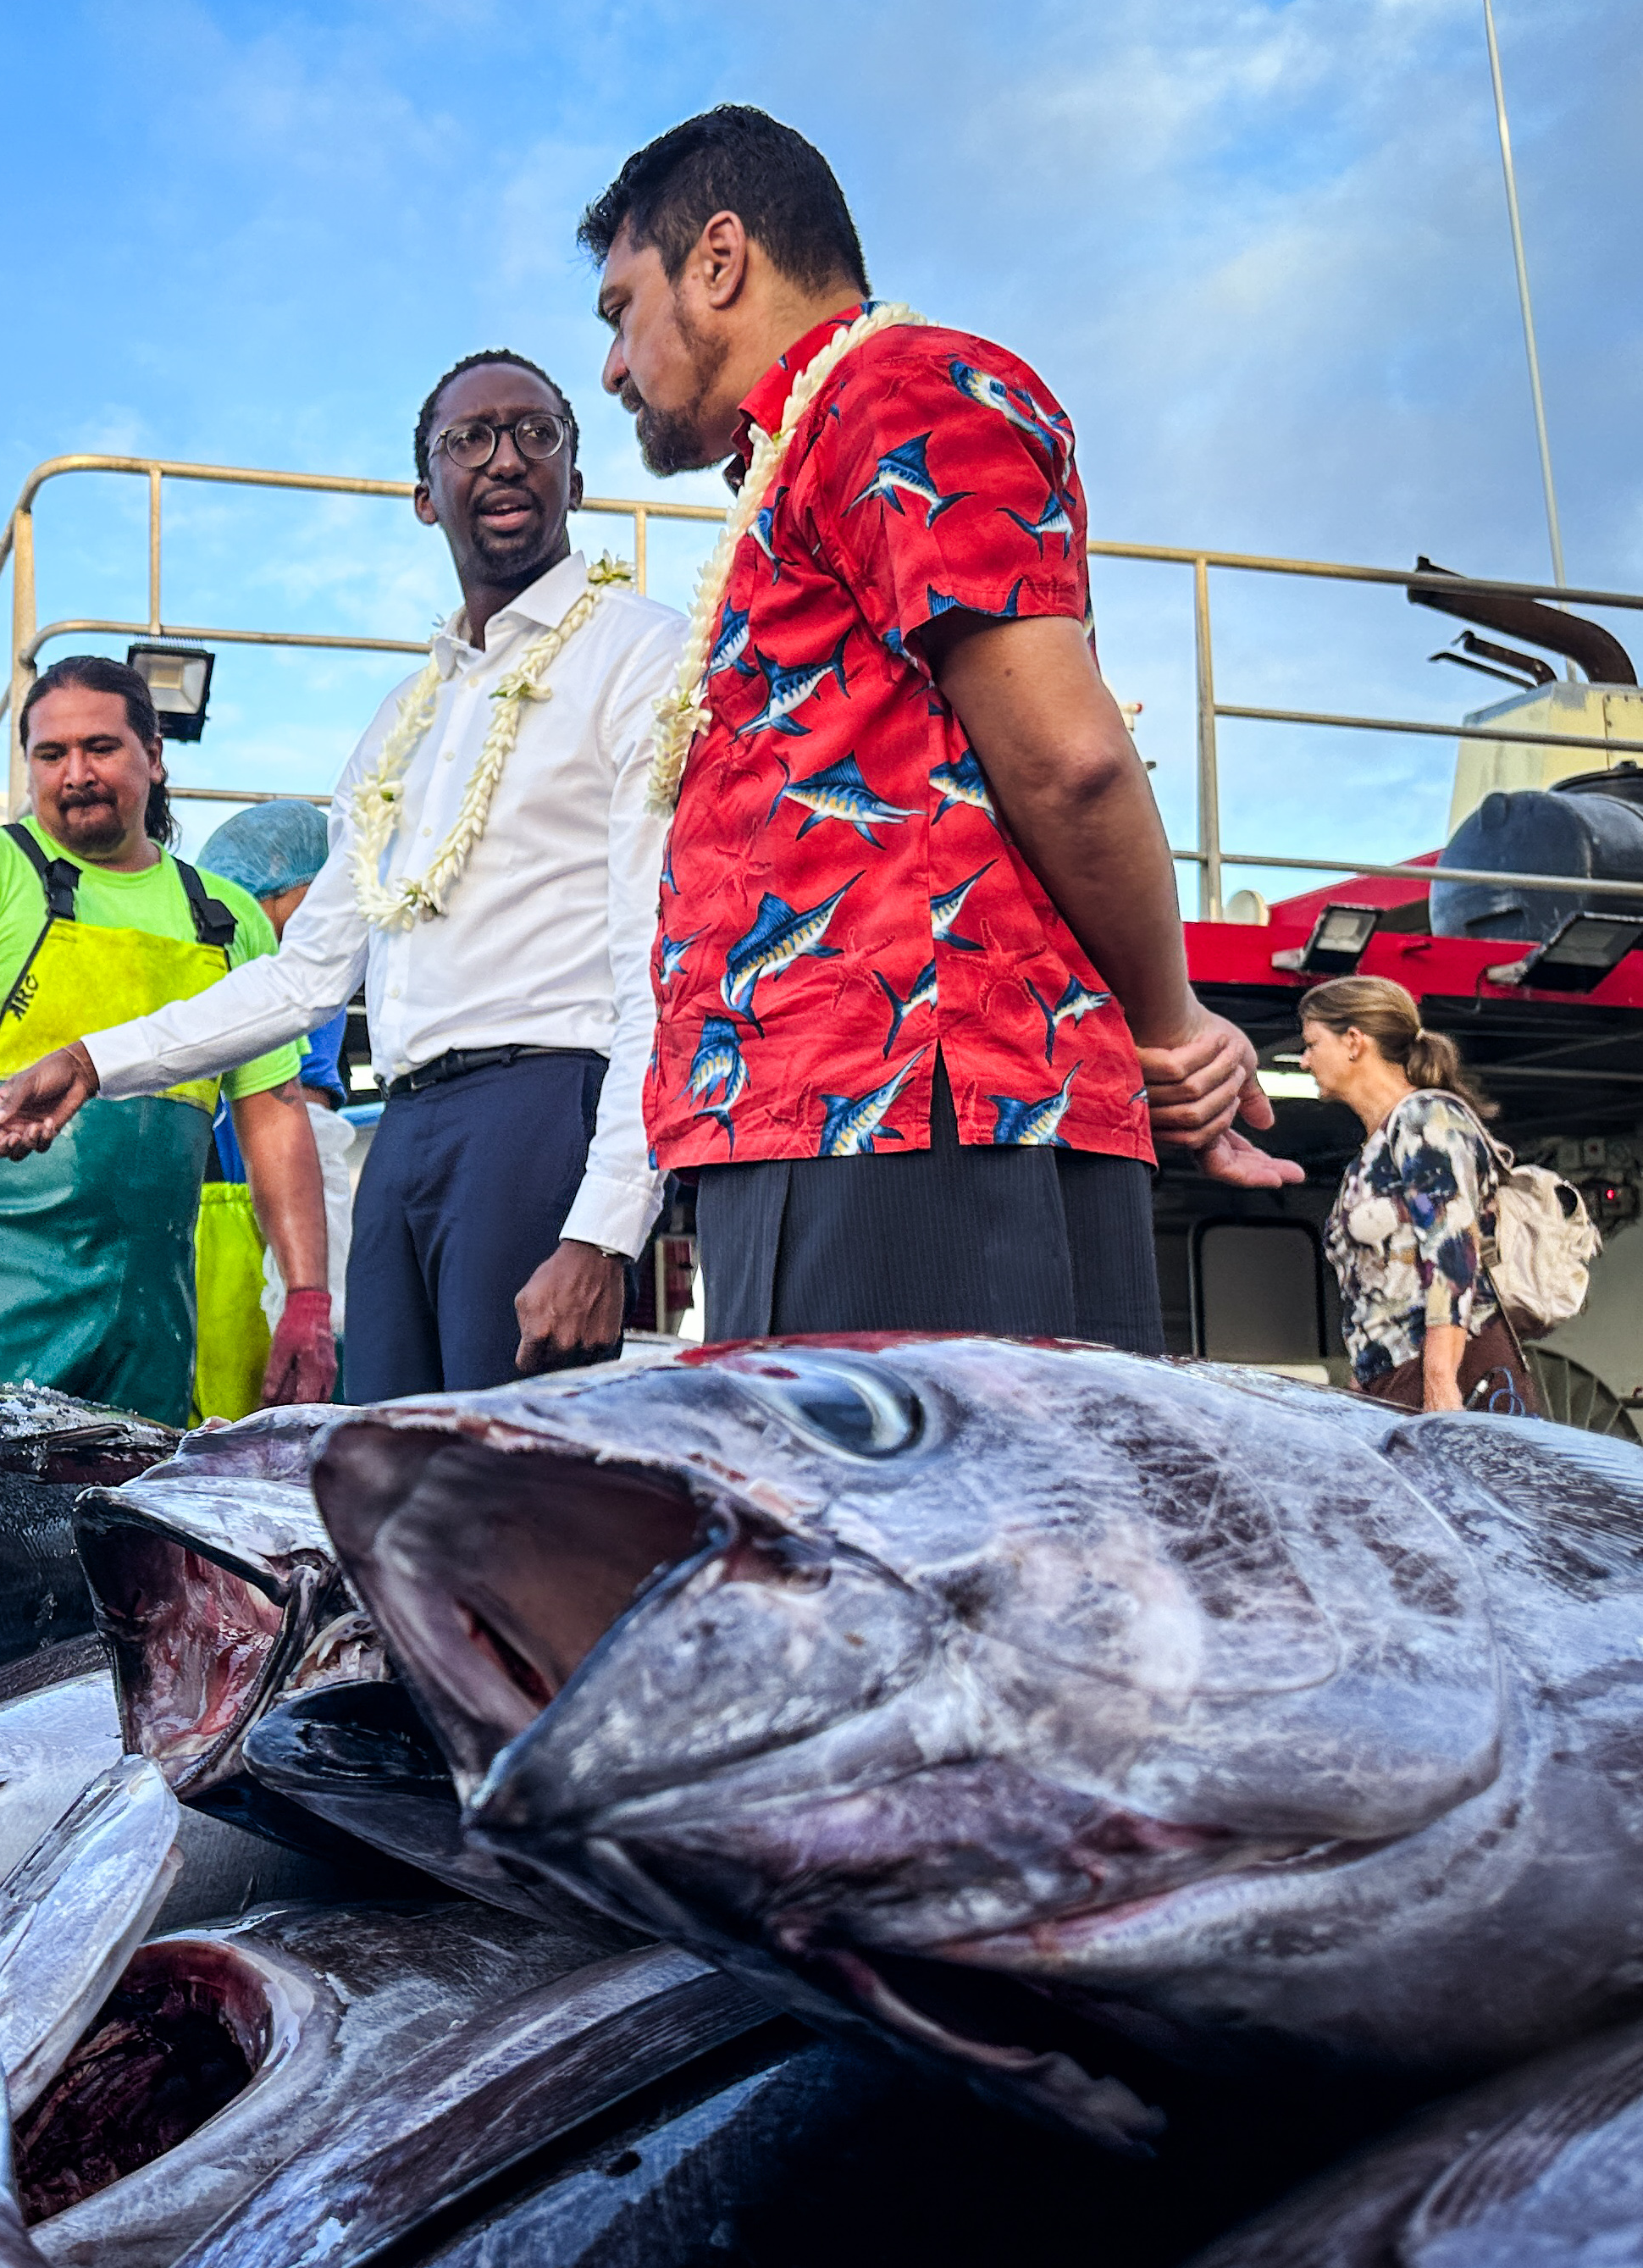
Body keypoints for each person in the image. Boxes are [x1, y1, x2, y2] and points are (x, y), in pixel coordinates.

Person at [579, 106, 1298, 1352]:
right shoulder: (812, 441)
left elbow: (1066, 758)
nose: (610, 364)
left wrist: (1170, 1027)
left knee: (925, 1546)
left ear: (716, 260)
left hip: (911, 1128)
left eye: (616, 308)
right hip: (836, 1120)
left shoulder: (893, 390)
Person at [0, 351, 686, 1400]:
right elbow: (306, 977)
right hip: (403, 1132)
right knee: (386, 1492)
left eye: (536, 435)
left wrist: (606, 1226)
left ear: (574, 478)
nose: (503, 460)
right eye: (466, 440)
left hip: (543, 1111)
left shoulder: (640, 653)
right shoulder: (406, 719)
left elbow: (658, 963)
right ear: (422, 495)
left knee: (512, 1508)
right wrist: (94, 1060)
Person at [0, 655, 334, 1425]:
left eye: (100, 748)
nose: (75, 773)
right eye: (51, 754)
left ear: (153, 755)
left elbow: (276, 1114)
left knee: (128, 1525)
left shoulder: (227, 917)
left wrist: (308, 1296)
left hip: (154, 1321)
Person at [1302, 976, 1536, 1414]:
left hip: (1453, 1369)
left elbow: (1452, 1250)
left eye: (1312, 1044)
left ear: (1354, 1042)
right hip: (1395, 1373)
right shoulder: (1376, 1147)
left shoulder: (1426, 1119)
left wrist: (1440, 1380)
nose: (1304, 1060)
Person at [191, 799, 357, 1417]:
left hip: (221, 1252)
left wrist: (309, 1300)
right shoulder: (290, 978)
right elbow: (310, 1147)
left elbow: (309, 1143)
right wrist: (314, 1300)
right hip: (228, 1249)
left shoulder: (289, 987)